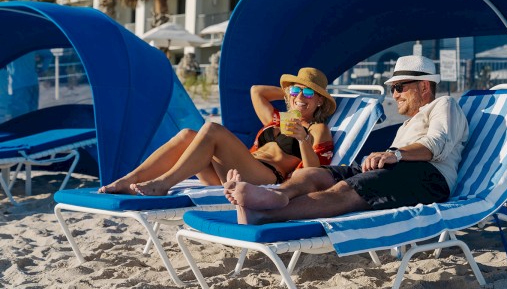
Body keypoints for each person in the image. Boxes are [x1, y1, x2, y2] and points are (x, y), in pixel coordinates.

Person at [224, 55, 469, 225]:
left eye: (400, 87)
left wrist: (395, 154)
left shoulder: (444, 104)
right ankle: (277, 195)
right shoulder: (408, 123)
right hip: (399, 168)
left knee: (347, 190)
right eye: (392, 87)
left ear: (424, 86)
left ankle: (263, 215)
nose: (394, 94)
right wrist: (390, 157)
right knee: (315, 174)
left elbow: (437, 144)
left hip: (428, 177)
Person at [99, 67, 336, 196]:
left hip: (266, 179)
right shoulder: (276, 120)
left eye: (308, 94)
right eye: (296, 91)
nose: (300, 98)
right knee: (187, 135)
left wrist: (303, 139)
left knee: (212, 128)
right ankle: (130, 178)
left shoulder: (317, 129)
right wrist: (289, 92)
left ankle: (163, 183)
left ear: (319, 102)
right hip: (234, 171)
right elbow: (257, 91)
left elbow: (316, 173)